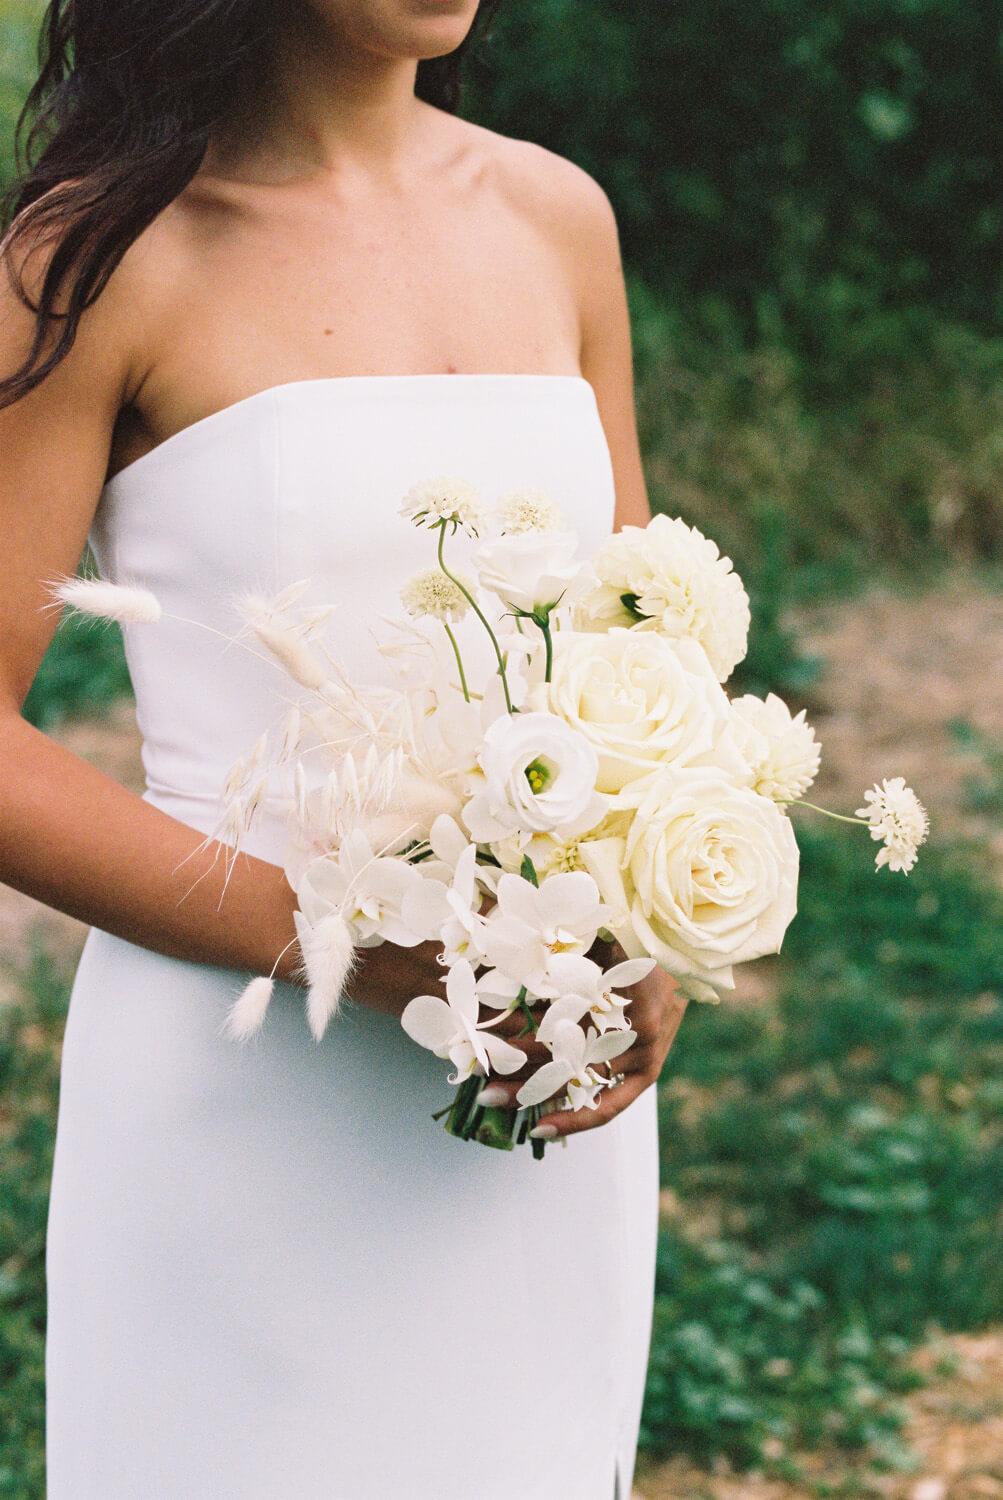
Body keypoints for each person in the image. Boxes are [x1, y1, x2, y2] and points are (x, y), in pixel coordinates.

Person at [0, 2, 688, 1495]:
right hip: (242, 1097)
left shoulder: (557, 216)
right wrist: (335, 940)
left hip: (535, 1075)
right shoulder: (95, 257)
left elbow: (639, 635)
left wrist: (650, 916)